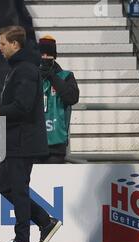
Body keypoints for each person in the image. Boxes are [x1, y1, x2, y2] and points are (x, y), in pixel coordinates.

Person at [0, 26, 62, 242]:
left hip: (23, 140)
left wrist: (1, 112)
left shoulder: (26, 70)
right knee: (6, 187)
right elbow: (19, 104)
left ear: (15, 45)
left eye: (2, 43)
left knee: (18, 189)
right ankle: (44, 221)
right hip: (16, 139)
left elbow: (24, 106)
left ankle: (22, 241)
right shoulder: (19, 68)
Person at [39, 36, 80, 164]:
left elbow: (72, 98)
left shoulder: (66, 76)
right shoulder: (30, 75)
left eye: (49, 54)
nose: (45, 57)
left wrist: (52, 76)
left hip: (56, 144)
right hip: (32, 143)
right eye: (42, 54)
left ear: (55, 56)